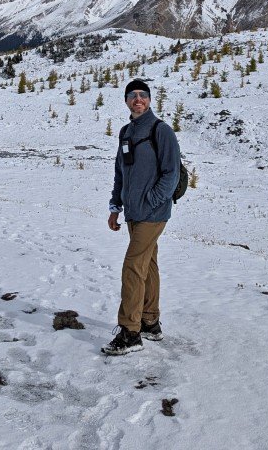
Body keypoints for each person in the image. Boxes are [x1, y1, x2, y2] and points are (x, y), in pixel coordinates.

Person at [102, 77, 180, 356]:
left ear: (149, 100)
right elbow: (120, 173)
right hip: (134, 212)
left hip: (153, 212)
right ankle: (150, 321)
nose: (138, 99)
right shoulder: (126, 132)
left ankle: (130, 331)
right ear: (126, 101)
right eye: (133, 95)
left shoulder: (162, 131)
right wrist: (115, 206)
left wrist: (152, 200)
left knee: (132, 267)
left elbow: (172, 173)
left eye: (143, 95)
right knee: (148, 264)